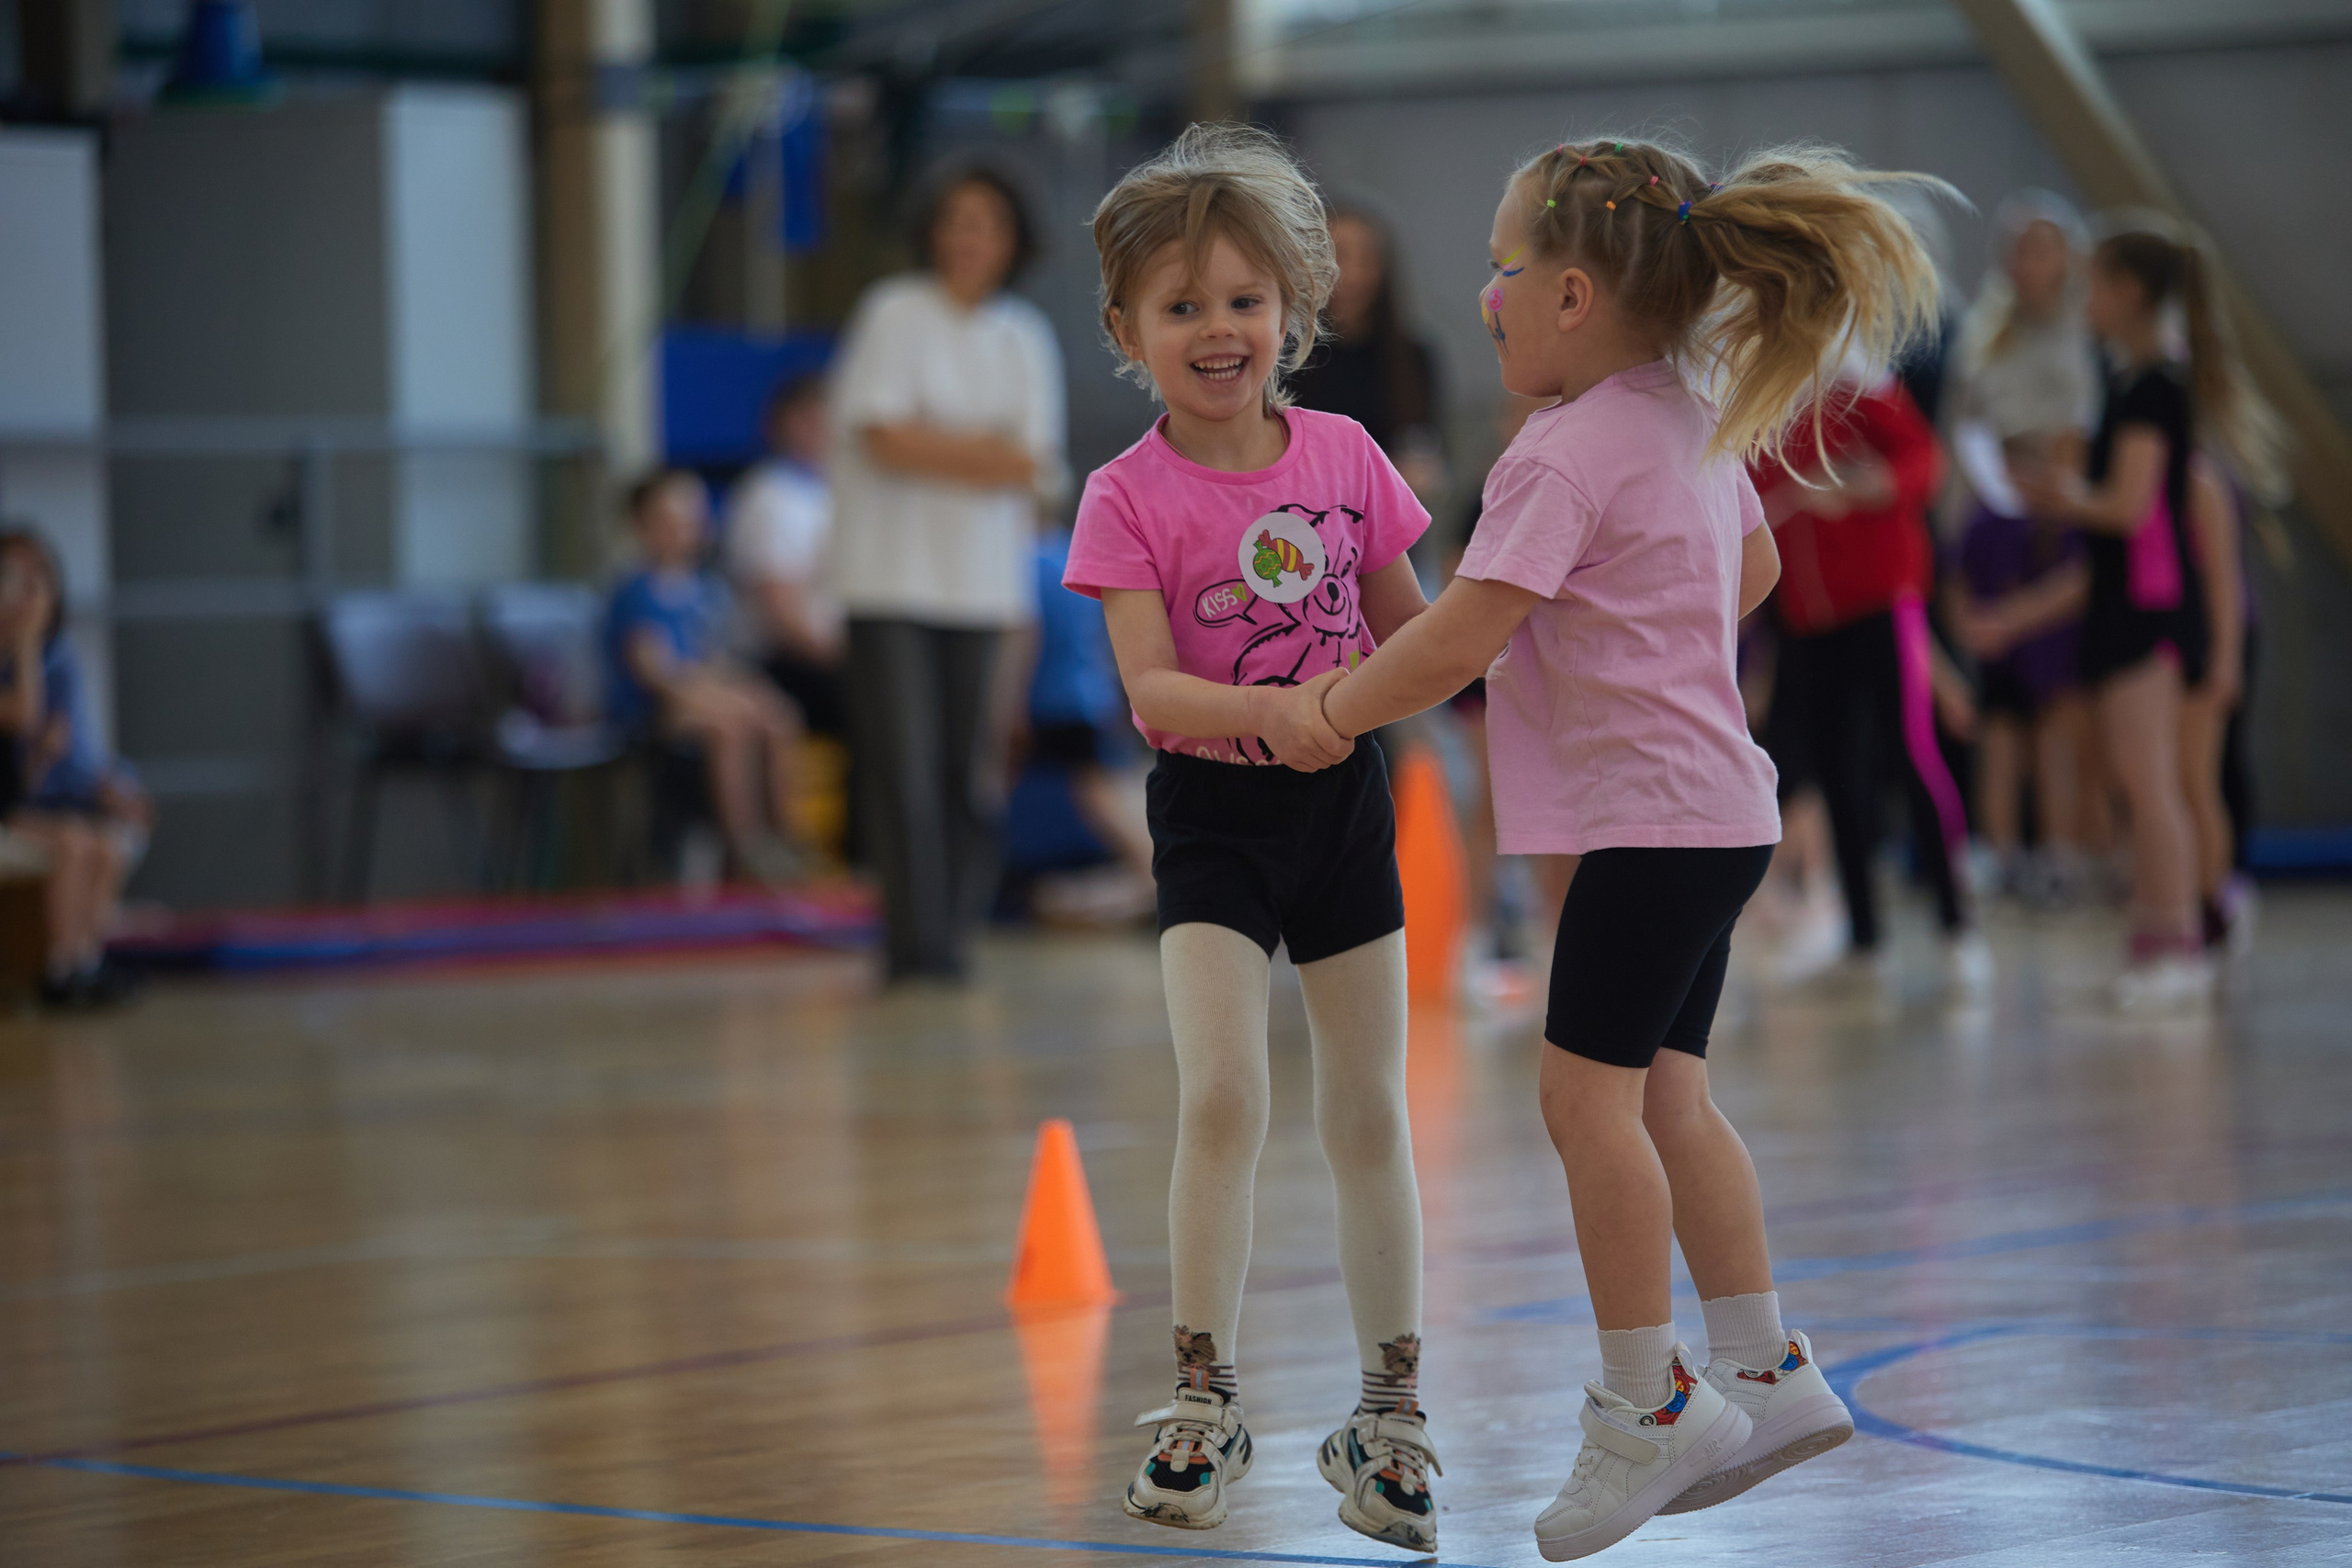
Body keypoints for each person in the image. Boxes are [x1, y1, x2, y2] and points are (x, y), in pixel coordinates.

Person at [1287, 138, 1948, 1559]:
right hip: (1722, 815)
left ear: (1574, 291)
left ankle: (1647, 1403)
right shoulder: (1692, 413)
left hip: (1649, 822)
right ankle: (1767, 1368)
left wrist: (1328, 708)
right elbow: (1753, 571)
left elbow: (1460, 633)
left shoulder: (1557, 452)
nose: (1486, 298)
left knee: (1587, 1107)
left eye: (1504, 266)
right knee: (1669, 1100)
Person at [1065, 124, 1441, 1552]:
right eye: (1180, 306)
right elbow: (1153, 690)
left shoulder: (1348, 457)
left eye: (1241, 298)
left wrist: (1536, 639)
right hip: (1215, 816)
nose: (1216, 329)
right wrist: (1283, 706)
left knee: (1369, 1107)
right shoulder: (1126, 494)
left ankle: (1392, 1410)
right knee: (1223, 1092)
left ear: (1293, 305)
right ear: (1126, 330)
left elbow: (1422, 633)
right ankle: (1200, 1397)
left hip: (1344, 805)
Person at [2016, 216, 2284, 1007]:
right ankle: (2157, 933)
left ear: (2129, 291)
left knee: (2154, 780)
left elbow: (2131, 507)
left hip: (2148, 613)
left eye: (2095, 281)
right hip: (2128, 608)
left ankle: (2176, 941)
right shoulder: (2130, 379)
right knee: (2142, 780)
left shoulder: (2153, 387)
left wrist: (2064, 494)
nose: (2084, 297)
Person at [829, 165, 1068, 982]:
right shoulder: (892, 312)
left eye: (988, 223)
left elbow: (1034, 466)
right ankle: (910, 945)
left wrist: (940, 444)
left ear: (1011, 241)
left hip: (979, 583)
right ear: (932, 231)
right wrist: (983, 454)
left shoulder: (1024, 335)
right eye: (956, 221)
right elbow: (881, 437)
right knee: (901, 769)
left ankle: (953, 931)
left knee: (965, 770)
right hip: (888, 579)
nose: (970, 239)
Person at [1754, 368, 1980, 978]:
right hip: (1805, 617)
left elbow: (1922, 462)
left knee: (1913, 754)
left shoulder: (1859, 390)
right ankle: (1864, 935)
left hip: (1883, 600)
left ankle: (1957, 923)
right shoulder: (1756, 410)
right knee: (1835, 771)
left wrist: (1868, 484)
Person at [1942, 194, 2102, 903]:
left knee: (2063, 712)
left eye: (2043, 247)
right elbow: (1962, 433)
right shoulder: (1985, 336)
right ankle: (1998, 851)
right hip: (1993, 516)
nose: (2028, 262)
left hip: (2060, 514)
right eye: (2018, 248)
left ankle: (2067, 850)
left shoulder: (2085, 332)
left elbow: (2087, 433)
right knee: (1999, 712)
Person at [605, 470, 807, 886]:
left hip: (706, 694)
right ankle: (744, 850)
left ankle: (785, 840)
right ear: (642, 526)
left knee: (776, 715)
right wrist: (716, 698)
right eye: (670, 522)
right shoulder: (636, 591)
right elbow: (654, 674)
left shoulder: (709, 591)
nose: (683, 532)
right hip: (653, 711)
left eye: (691, 521)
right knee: (728, 725)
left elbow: (721, 660)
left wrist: (745, 695)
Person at [0, 526, 141, 1006]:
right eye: (16, 579)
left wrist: (113, 786)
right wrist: (23, 640)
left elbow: (73, 754)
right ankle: (59, 970)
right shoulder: (27, 658)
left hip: (25, 800)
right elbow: (23, 715)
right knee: (75, 843)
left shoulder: (57, 658)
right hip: (15, 809)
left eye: (39, 579)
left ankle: (84, 962)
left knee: (103, 842)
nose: (28, 592)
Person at [1286, 201, 1446, 501]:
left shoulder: (1413, 356)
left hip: (1388, 519)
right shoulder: (1287, 354)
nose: (1353, 275)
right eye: (1339, 256)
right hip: (1305, 513)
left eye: (1367, 259)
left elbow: (1428, 460)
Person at [727, 372, 846, 742]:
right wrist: (855, 664)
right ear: (784, 425)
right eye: (810, 419)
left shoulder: (835, 491)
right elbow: (783, 618)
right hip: (785, 665)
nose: (824, 431)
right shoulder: (770, 497)